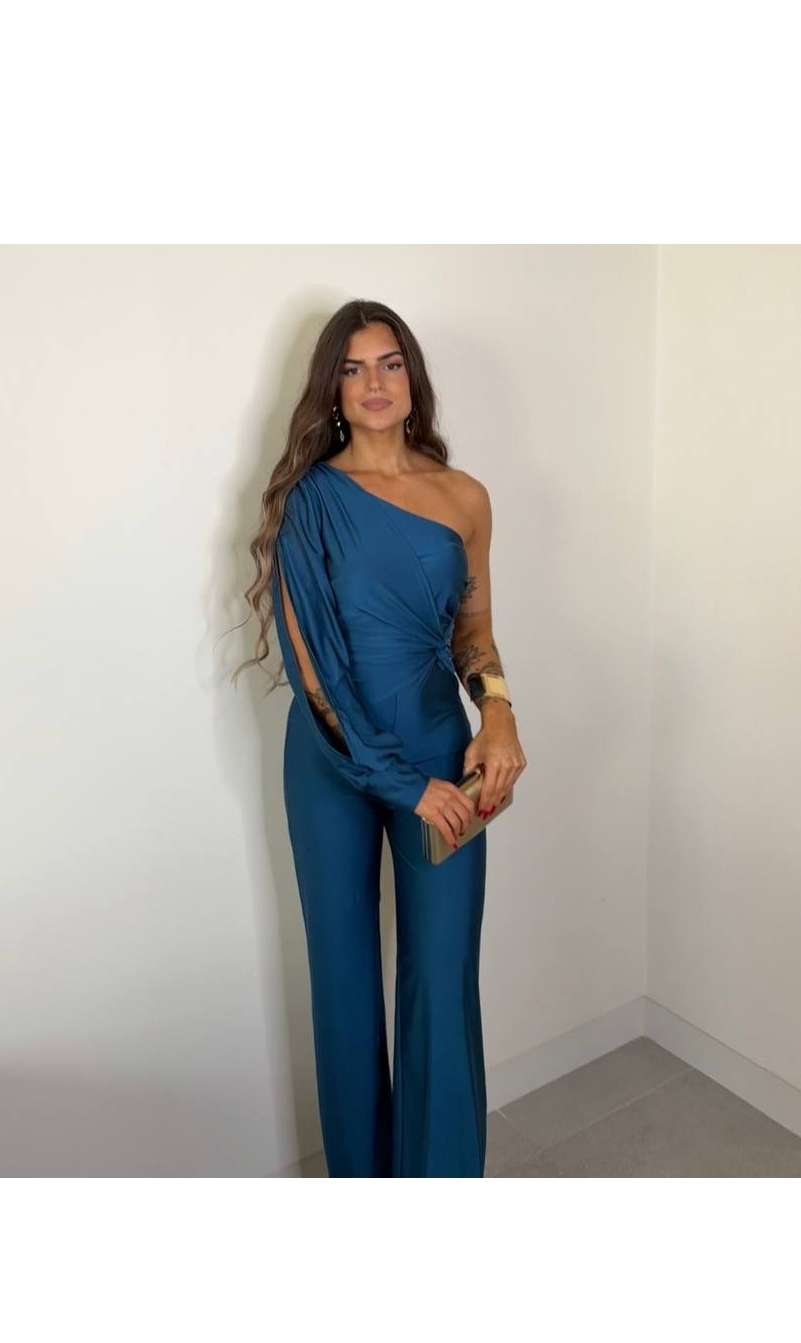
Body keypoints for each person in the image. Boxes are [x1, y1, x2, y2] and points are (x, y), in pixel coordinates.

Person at [234, 299, 527, 1176]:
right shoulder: (307, 501)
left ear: (412, 377)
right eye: (354, 368)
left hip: (442, 747)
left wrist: (499, 715)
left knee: (443, 972)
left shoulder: (464, 497)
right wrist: (403, 784)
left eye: (390, 363)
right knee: (346, 980)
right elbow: (316, 676)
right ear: (331, 387)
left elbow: (474, 632)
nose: (374, 383)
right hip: (333, 767)